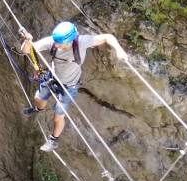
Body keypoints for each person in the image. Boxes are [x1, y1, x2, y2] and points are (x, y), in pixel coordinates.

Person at [19, 21, 128, 152]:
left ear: (70, 40)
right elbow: (26, 51)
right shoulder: (52, 41)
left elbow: (107, 37)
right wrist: (28, 41)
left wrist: (119, 51)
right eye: (56, 42)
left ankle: (53, 140)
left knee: (58, 115)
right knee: (38, 98)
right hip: (52, 78)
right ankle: (39, 109)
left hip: (69, 86)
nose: (57, 45)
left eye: (60, 43)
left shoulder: (81, 42)